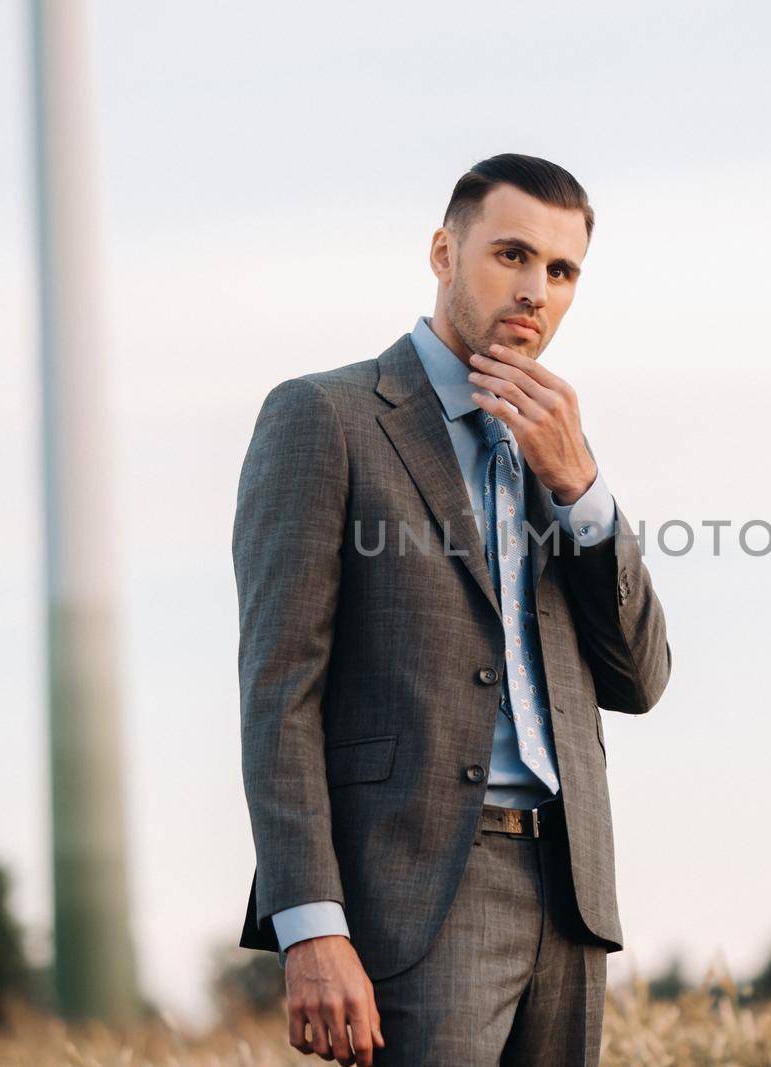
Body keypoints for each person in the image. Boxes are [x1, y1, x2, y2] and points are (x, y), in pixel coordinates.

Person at [233, 153, 673, 1065]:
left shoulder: (557, 450)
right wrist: (310, 925)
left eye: (561, 271)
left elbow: (640, 678)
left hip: (571, 890)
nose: (535, 291)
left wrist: (581, 485)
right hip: (415, 893)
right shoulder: (328, 417)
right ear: (443, 250)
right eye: (511, 255)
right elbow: (279, 690)